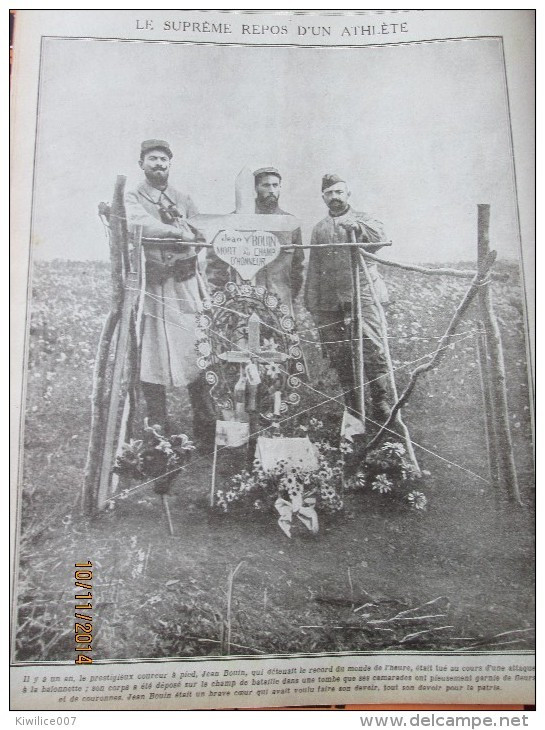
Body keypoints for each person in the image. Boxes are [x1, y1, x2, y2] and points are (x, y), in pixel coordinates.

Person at [124, 139, 215, 444]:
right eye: (153, 159)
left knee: (196, 346)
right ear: (142, 164)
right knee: (152, 353)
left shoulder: (183, 197)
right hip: (154, 286)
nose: (159, 164)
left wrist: (190, 235)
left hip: (184, 284)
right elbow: (140, 225)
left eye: (164, 159)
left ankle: (205, 425)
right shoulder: (133, 196)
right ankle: (157, 426)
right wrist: (177, 232)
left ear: (169, 164)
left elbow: (200, 231)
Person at [304, 174, 391, 422]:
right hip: (330, 300)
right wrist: (313, 302)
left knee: (371, 345)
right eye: (329, 193)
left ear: (348, 194)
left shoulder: (363, 219)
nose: (335, 198)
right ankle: (352, 406)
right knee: (339, 352)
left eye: (339, 192)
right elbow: (314, 266)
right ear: (323, 197)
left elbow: (380, 238)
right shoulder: (319, 228)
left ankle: (380, 401)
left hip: (361, 292)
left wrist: (359, 229)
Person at [207, 167, 304, 315]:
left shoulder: (289, 223)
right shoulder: (235, 221)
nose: (271, 190)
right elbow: (216, 263)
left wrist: (289, 295)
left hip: (280, 303)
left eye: (275, 185)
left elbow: (297, 267)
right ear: (255, 188)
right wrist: (224, 296)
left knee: (283, 338)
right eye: (265, 185)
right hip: (244, 303)